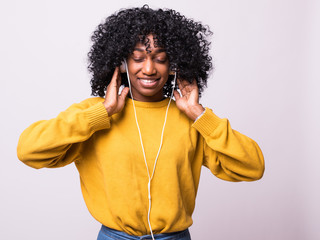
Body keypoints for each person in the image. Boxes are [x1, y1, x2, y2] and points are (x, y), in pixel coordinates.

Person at [17, 5, 265, 240]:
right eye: (137, 58)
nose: (149, 68)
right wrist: (102, 112)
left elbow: (253, 167)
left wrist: (201, 116)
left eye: (160, 58)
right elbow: (29, 151)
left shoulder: (191, 119)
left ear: (173, 65)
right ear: (122, 64)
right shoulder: (94, 114)